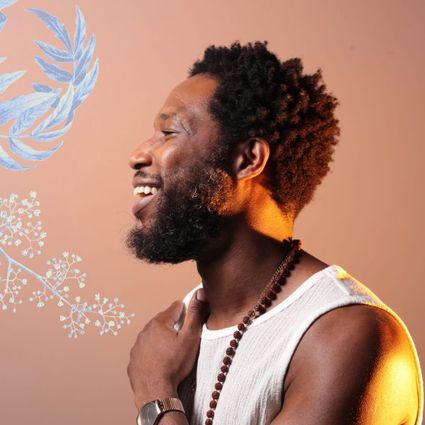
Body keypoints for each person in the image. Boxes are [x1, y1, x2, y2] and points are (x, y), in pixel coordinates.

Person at [126, 41, 423, 425]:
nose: (137, 155)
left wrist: (156, 394)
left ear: (248, 159)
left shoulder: (346, 335)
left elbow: (157, 393)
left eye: (169, 132)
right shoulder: (181, 333)